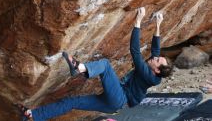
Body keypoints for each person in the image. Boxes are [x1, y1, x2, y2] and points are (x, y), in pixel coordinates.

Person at [19, 7, 173, 121]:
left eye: (158, 60)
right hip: (113, 103)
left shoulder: (149, 76)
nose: (155, 58)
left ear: (157, 71)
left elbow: (135, 51)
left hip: (120, 98)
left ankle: (79, 68)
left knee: (105, 65)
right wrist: (158, 24)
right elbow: (155, 50)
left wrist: (138, 21)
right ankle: (33, 115)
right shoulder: (154, 70)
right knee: (72, 101)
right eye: (158, 58)